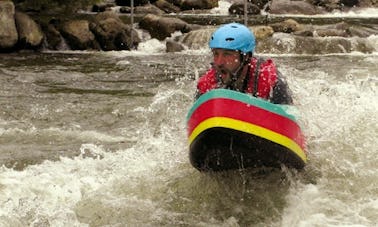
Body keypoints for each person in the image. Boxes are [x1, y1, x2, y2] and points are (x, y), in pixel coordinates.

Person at [195, 22, 293, 104]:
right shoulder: (206, 84)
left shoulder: (271, 81)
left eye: (227, 54)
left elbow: (288, 121)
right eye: (216, 54)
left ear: (245, 57)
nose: (219, 62)